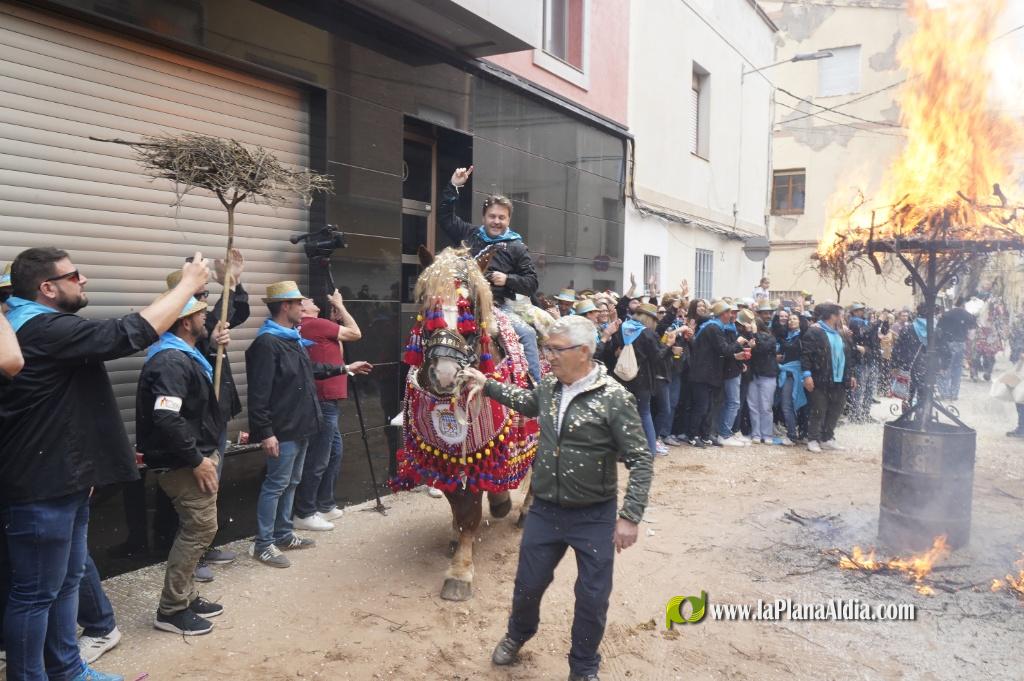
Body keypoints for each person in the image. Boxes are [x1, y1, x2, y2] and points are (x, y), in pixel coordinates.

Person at [1, 247, 209, 681]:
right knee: (36, 593)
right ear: (48, 287)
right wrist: (188, 284)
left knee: (66, 581)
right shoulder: (40, 327)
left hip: (66, 478)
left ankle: (67, 671)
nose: (84, 281)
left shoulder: (35, 326)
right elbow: (127, 333)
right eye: (75, 275)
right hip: (42, 486)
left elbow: (64, 410)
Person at [461, 315, 653, 681]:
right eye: (546, 348)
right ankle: (518, 635)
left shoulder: (614, 398)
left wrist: (630, 515)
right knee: (528, 584)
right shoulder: (549, 387)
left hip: (594, 514)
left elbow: (641, 458)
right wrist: (488, 385)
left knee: (593, 597)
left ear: (583, 352)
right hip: (546, 510)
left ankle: (583, 667)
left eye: (555, 349)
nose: (547, 356)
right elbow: (528, 401)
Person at [245, 281, 371, 568]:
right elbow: (258, 393)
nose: (303, 309)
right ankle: (263, 544)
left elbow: (310, 371)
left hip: (302, 424)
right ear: (286, 306)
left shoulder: (290, 338)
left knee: (291, 482)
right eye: (299, 304)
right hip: (284, 427)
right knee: (276, 484)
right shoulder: (267, 343)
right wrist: (265, 433)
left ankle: (284, 534)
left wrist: (344, 368)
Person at [136, 295, 226, 636]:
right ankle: (172, 609)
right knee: (200, 529)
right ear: (186, 322)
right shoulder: (171, 362)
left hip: (191, 457)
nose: (207, 319)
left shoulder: (182, 356)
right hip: (183, 463)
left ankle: (185, 597)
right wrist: (197, 460)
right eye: (202, 314)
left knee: (197, 527)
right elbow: (166, 417)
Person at [441, 166, 542, 382]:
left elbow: (532, 283)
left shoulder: (517, 247)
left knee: (528, 333)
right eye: (492, 216)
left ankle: (535, 390)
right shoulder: (470, 234)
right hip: (463, 305)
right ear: (484, 217)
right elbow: (445, 218)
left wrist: (508, 279)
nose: (496, 221)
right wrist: (454, 187)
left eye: (501, 218)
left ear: (508, 220)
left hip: (497, 307)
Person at [294, 290, 370, 531]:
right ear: (304, 310)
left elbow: (338, 353)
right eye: (307, 300)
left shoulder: (315, 326)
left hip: (326, 398)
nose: (311, 299)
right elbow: (356, 333)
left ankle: (324, 503)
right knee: (320, 457)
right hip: (325, 399)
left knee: (333, 452)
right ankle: (305, 511)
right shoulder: (314, 324)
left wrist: (335, 322)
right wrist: (341, 305)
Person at [601, 303, 675, 455]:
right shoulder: (648, 333)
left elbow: (612, 350)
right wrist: (669, 346)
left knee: (623, 414)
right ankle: (651, 450)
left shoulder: (623, 328)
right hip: (642, 380)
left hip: (621, 378)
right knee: (644, 413)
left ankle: (622, 451)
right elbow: (658, 358)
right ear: (649, 319)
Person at [685, 300, 746, 448]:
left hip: (710, 375)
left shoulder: (715, 327)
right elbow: (724, 349)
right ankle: (693, 436)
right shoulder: (713, 328)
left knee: (709, 407)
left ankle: (705, 435)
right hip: (702, 374)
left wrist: (736, 356)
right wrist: (738, 343)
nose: (731, 315)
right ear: (722, 314)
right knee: (701, 407)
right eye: (729, 312)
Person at [801, 302, 856, 453]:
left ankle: (827, 438)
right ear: (832, 316)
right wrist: (807, 375)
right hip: (820, 377)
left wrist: (851, 374)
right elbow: (806, 355)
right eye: (840, 315)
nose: (842, 318)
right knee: (818, 409)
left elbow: (848, 355)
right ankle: (813, 439)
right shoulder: (814, 331)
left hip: (839, 378)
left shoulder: (840, 332)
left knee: (836, 408)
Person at [746, 312, 781, 445]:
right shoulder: (749, 336)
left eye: (753, 323)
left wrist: (754, 334)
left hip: (768, 375)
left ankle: (767, 434)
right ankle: (756, 433)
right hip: (753, 376)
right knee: (753, 405)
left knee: (766, 406)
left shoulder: (770, 338)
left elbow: (763, 349)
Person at [937, 298, 976, 400]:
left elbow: (939, 329)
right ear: (963, 304)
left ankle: (944, 393)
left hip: (948, 343)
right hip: (961, 343)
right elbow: (972, 334)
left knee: (946, 367)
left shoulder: (947, 314)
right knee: (957, 369)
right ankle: (954, 393)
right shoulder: (968, 315)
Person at [776, 312, 805, 445]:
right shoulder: (787, 336)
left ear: (800, 322)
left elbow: (792, 349)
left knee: (787, 404)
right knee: (787, 405)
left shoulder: (802, 336)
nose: (791, 321)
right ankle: (794, 433)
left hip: (795, 374)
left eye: (794, 319)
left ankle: (792, 435)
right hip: (786, 371)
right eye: (790, 319)